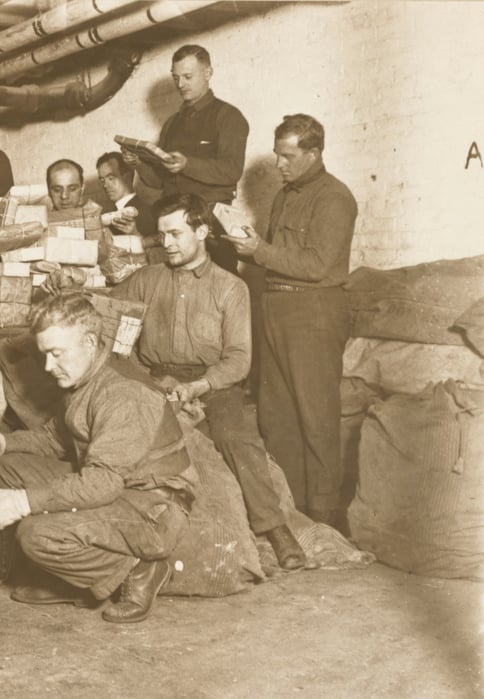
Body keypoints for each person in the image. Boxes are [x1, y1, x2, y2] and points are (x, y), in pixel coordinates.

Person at [0, 293, 195, 624]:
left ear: (89, 341)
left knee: (36, 533)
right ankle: (74, 578)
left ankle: (140, 571)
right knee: (9, 466)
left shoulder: (123, 393)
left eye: (56, 354)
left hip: (152, 505)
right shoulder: (86, 377)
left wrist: (20, 503)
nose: (49, 367)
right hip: (116, 485)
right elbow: (54, 439)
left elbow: (103, 483)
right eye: (45, 355)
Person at [110, 192, 305, 569]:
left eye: (175, 234)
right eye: (161, 235)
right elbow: (109, 313)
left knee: (238, 440)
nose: (166, 243)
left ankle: (275, 528)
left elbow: (238, 359)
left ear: (201, 231)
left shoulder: (231, 288)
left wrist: (199, 387)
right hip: (154, 379)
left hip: (213, 385)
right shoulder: (145, 279)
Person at [223, 114, 357, 530]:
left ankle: (325, 515)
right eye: (278, 154)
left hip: (313, 314)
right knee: (276, 415)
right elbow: (277, 254)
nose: (280, 163)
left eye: (288, 155)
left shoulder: (335, 198)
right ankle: (293, 508)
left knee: (316, 418)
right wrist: (239, 243)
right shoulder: (284, 196)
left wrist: (258, 249)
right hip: (276, 309)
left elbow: (318, 264)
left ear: (313, 153)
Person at [121, 45, 249, 274]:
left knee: (218, 289)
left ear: (208, 73)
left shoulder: (228, 117)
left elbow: (232, 170)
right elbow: (157, 182)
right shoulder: (172, 124)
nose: (180, 85)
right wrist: (137, 163)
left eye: (188, 77)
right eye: (176, 77)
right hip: (174, 227)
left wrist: (186, 164)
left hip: (210, 225)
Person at [96, 151, 163, 264]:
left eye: (111, 178)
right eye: (102, 180)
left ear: (127, 176)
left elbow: (157, 258)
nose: (105, 185)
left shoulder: (148, 212)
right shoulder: (107, 214)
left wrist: (135, 236)